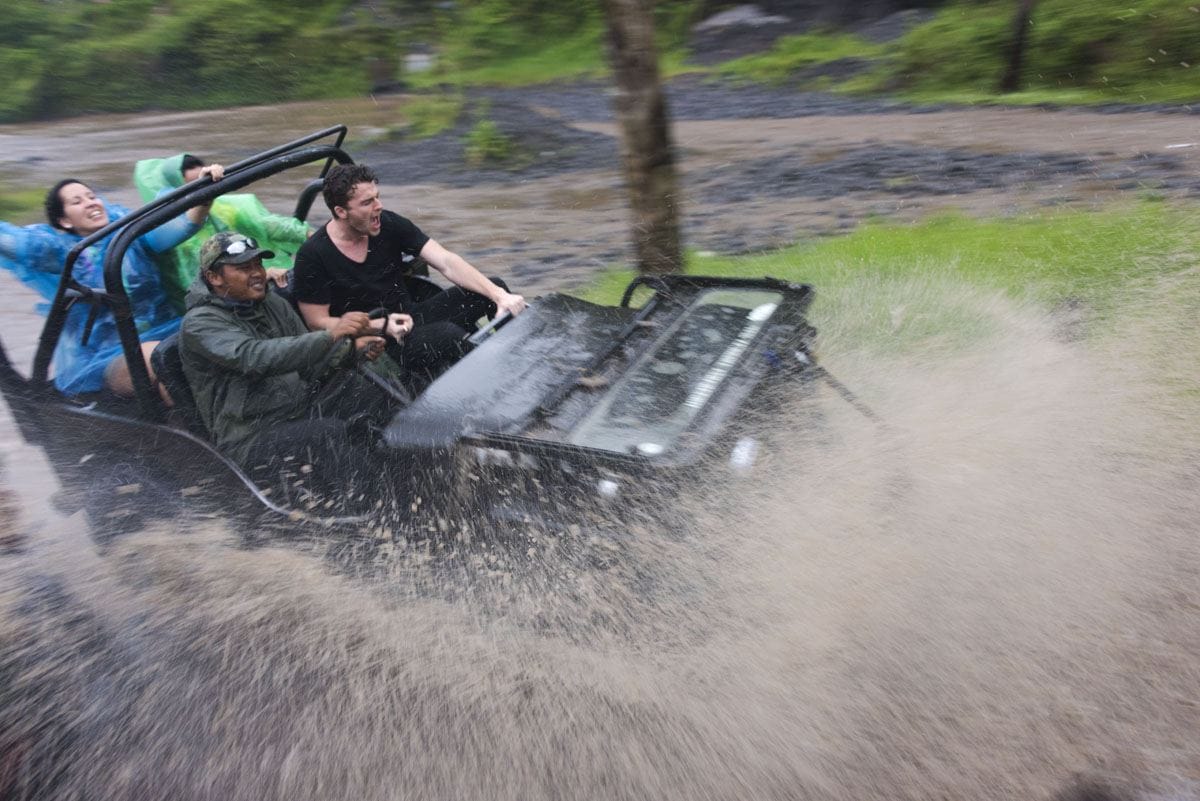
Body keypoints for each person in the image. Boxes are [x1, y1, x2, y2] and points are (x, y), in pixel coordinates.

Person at [291, 163, 527, 386]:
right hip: (378, 344)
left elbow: (445, 261)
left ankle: (527, 364)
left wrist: (498, 296)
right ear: (341, 211)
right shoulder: (313, 255)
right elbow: (317, 323)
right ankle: (500, 389)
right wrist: (379, 325)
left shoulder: (388, 223)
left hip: (412, 317)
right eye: (367, 202)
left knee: (494, 288)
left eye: (378, 197)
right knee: (448, 335)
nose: (378, 206)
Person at [179, 231, 398, 469]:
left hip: (299, 408)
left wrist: (352, 351)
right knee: (327, 434)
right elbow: (254, 357)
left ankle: (406, 466)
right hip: (250, 436)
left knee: (366, 390)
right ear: (214, 277)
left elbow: (309, 361)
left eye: (258, 265)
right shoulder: (199, 323)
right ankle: (375, 500)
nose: (257, 274)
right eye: (243, 268)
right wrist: (331, 335)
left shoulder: (272, 303)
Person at [0, 170, 222, 396]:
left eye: (91, 196)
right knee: (160, 358)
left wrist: (206, 193)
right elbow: (15, 244)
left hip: (168, 329)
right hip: (110, 355)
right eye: (77, 202)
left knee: (225, 328)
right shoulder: (62, 251)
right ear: (65, 221)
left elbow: (182, 225)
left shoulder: (130, 233)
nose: (89, 203)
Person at [133, 152, 310, 311]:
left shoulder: (225, 208)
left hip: (244, 288)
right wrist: (204, 195)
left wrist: (315, 235)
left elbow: (271, 225)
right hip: (200, 308)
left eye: (201, 183)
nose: (197, 191)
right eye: (190, 187)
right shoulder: (157, 229)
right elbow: (187, 225)